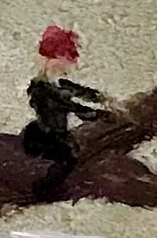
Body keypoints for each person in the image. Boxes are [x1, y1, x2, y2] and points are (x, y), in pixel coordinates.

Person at [20, 25, 110, 201]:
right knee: (68, 160)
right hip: (43, 135)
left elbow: (82, 92)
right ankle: (43, 190)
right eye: (63, 59)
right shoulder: (40, 88)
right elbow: (69, 106)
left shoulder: (60, 83)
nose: (67, 64)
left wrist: (104, 99)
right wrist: (97, 115)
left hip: (58, 133)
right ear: (50, 60)